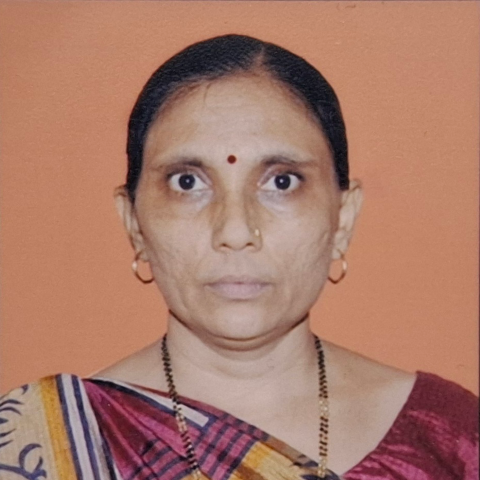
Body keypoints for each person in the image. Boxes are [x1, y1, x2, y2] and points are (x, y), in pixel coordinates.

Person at [0, 34, 477, 480]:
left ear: (343, 217)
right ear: (134, 222)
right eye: (187, 182)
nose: (235, 231)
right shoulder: (49, 446)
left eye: (282, 182)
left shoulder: (449, 438)